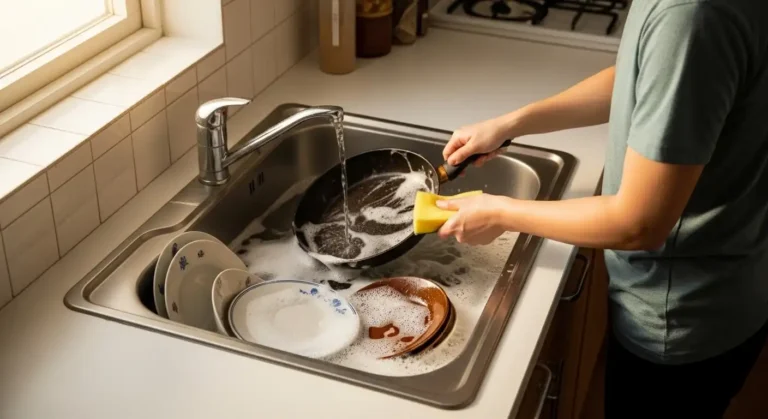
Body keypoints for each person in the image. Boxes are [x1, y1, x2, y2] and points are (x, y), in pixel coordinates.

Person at [436, 1, 768, 418]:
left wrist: (498, 213)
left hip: (682, 319)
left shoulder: (691, 15)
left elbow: (638, 223)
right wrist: (514, 123)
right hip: (728, 286)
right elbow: (643, 75)